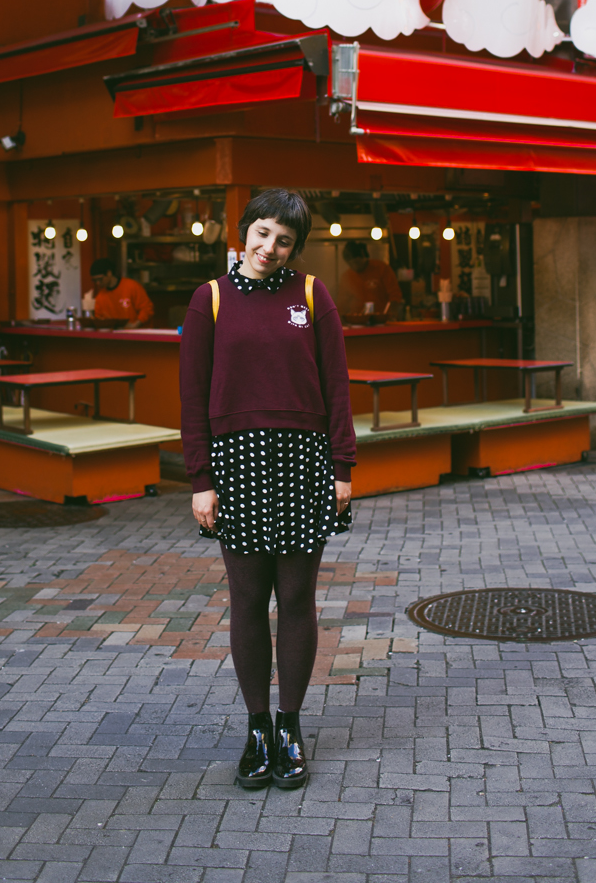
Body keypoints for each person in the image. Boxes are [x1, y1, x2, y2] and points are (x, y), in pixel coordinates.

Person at [180, 188, 355, 791]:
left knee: (298, 599)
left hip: (304, 461)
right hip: (235, 466)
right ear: (243, 232)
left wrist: (342, 468)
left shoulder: (311, 295)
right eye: (261, 233)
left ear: (295, 248)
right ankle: (256, 727)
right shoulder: (211, 301)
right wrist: (200, 479)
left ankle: (290, 727)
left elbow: (337, 385)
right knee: (249, 599)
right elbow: (192, 397)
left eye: (283, 240)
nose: (269, 248)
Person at [337, 240, 404, 321]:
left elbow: (394, 293)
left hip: (382, 320)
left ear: (364, 257)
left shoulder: (381, 268)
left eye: (357, 262)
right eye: (351, 264)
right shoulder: (347, 277)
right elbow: (342, 303)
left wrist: (392, 313)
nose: (355, 266)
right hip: (357, 322)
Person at [88, 259, 153, 327]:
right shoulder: (100, 297)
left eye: (100, 279)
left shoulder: (132, 286)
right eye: (95, 280)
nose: (98, 283)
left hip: (137, 333)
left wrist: (135, 324)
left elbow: (147, 309)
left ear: (109, 273)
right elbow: (99, 319)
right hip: (114, 335)